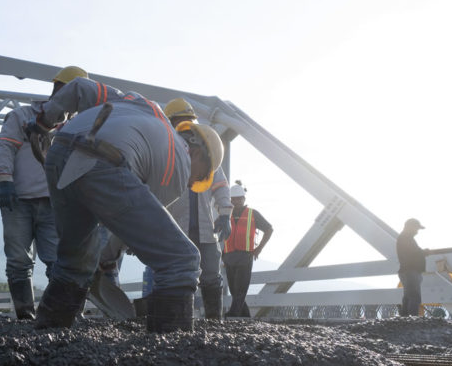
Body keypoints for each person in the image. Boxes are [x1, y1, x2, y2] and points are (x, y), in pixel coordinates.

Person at [28, 76, 223, 332]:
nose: (191, 184)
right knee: (182, 260)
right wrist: (108, 258)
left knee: (74, 263)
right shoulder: (180, 161)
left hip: (59, 151)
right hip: (105, 161)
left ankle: (48, 333)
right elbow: (130, 227)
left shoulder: (142, 105)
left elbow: (79, 86)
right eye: (199, 177)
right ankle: (172, 348)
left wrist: (44, 122)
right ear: (196, 153)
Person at [0, 66, 87, 320]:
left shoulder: (76, 126)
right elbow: (6, 147)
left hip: (54, 203)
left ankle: (62, 314)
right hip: (17, 200)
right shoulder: (22, 116)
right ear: (59, 89)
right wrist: (4, 180)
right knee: (18, 260)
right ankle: (25, 315)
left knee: (58, 261)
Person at [158, 98, 232, 320]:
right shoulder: (165, 154)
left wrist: (225, 214)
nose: (186, 127)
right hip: (176, 228)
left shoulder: (207, 153)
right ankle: (180, 320)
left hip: (205, 229)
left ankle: (214, 320)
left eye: (188, 121)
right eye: (180, 121)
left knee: (211, 275)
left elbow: (221, 186)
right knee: (177, 274)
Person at [222, 182, 273, 318]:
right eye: (233, 199)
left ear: (244, 199)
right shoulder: (226, 214)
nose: (236, 201)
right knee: (234, 290)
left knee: (240, 290)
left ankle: (233, 314)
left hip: (245, 256)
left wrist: (258, 249)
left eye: (239, 198)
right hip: (228, 256)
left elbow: (269, 229)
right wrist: (222, 255)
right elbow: (220, 234)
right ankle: (246, 317)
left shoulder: (252, 214)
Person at [397, 218, 426, 317]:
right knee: (414, 297)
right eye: (416, 228)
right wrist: (423, 252)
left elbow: (411, 252)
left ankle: (405, 318)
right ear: (410, 227)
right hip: (410, 271)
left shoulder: (404, 237)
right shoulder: (406, 238)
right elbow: (413, 253)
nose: (417, 231)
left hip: (406, 271)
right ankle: (412, 319)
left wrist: (421, 252)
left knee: (408, 296)